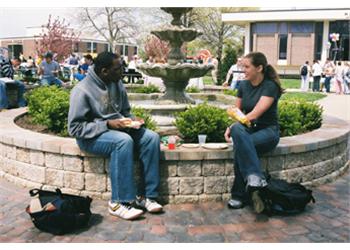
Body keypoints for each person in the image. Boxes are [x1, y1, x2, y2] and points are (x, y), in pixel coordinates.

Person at [68, 52, 162, 220]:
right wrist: (107, 124)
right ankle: (118, 202)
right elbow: (75, 128)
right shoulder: (81, 90)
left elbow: (125, 112)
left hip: (118, 131)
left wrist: (133, 120)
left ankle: (146, 196)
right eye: (118, 69)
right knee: (123, 142)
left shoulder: (116, 83)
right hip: (91, 137)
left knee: (151, 137)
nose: (122, 72)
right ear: (104, 71)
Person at [224, 51, 283, 214]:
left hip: (268, 132)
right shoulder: (243, 85)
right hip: (249, 131)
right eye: (242, 66)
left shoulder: (270, 86)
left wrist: (235, 128)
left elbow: (255, 113)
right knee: (237, 129)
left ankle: (238, 196)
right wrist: (231, 127)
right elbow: (238, 113)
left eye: (247, 67)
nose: (243, 70)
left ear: (259, 68)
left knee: (240, 148)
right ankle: (256, 181)